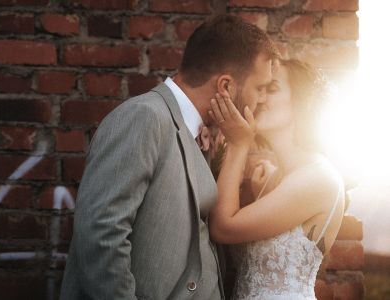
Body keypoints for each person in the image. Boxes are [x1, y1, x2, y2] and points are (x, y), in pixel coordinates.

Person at [60, 14, 279, 300]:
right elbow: (101, 235)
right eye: (260, 87)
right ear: (226, 86)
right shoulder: (144, 117)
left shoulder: (201, 134)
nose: (262, 99)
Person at [208, 59, 345, 299]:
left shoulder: (319, 178)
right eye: (260, 89)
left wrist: (239, 143)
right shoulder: (274, 179)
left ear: (302, 100)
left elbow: (222, 228)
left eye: (271, 89)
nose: (260, 99)